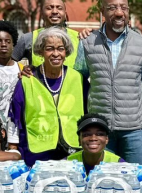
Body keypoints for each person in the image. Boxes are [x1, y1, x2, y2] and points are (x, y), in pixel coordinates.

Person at [74, 0, 142, 167]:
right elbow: (77, 79)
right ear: (102, 11)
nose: (119, 12)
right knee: (102, 181)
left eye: (124, 8)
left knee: (135, 179)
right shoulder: (87, 42)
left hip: (134, 129)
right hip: (100, 129)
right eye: (112, 8)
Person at [9, 27, 87, 166]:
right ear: (41, 51)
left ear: (66, 51)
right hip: (37, 152)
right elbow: (15, 118)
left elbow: (89, 111)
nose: (56, 53)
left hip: (72, 149)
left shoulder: (78, 78)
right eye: (50, 48)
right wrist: (13, 148)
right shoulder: (27, 80)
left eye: (60, 49)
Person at [12, 0, 80, 66]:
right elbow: (8, 64)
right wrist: (22, 70)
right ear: (42, 14)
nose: (54, 11)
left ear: (65, 14)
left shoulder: (79, 38)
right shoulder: (28, 38)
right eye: (49, 8)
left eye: (59, 8)